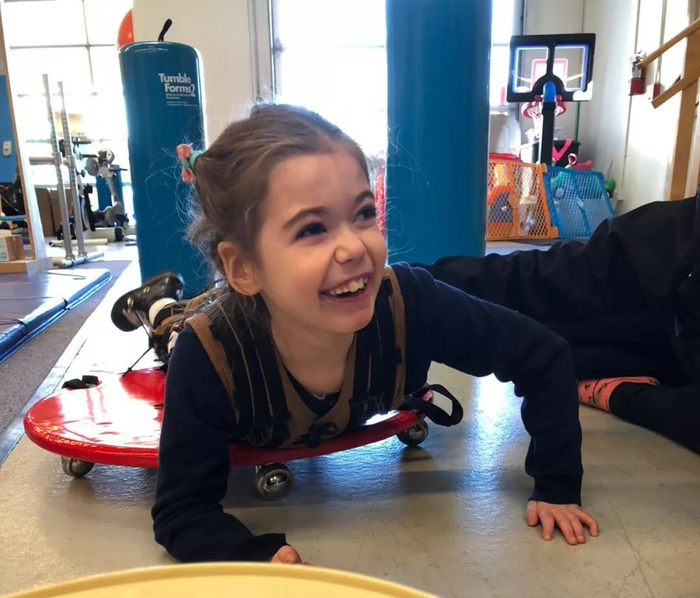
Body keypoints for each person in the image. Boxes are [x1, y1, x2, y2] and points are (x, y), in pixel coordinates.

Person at [120, 103, 597, 565]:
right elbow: (181, 510)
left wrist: (556, 486)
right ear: (243, 266)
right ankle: (155, 301)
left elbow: (542, 355)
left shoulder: (409, 304)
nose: (353, 247)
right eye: (312, 229)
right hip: (208, 323)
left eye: (364, 214)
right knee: (174, 329)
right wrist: (249, 554)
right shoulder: (210, 353)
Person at [425, 193, 700, 456]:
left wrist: (621, 395)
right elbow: (548, 273)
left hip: (673, 362)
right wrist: (420, 288)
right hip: (672, 307)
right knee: (551, 323)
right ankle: (416, 289)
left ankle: (418, 291)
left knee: (556, 346)